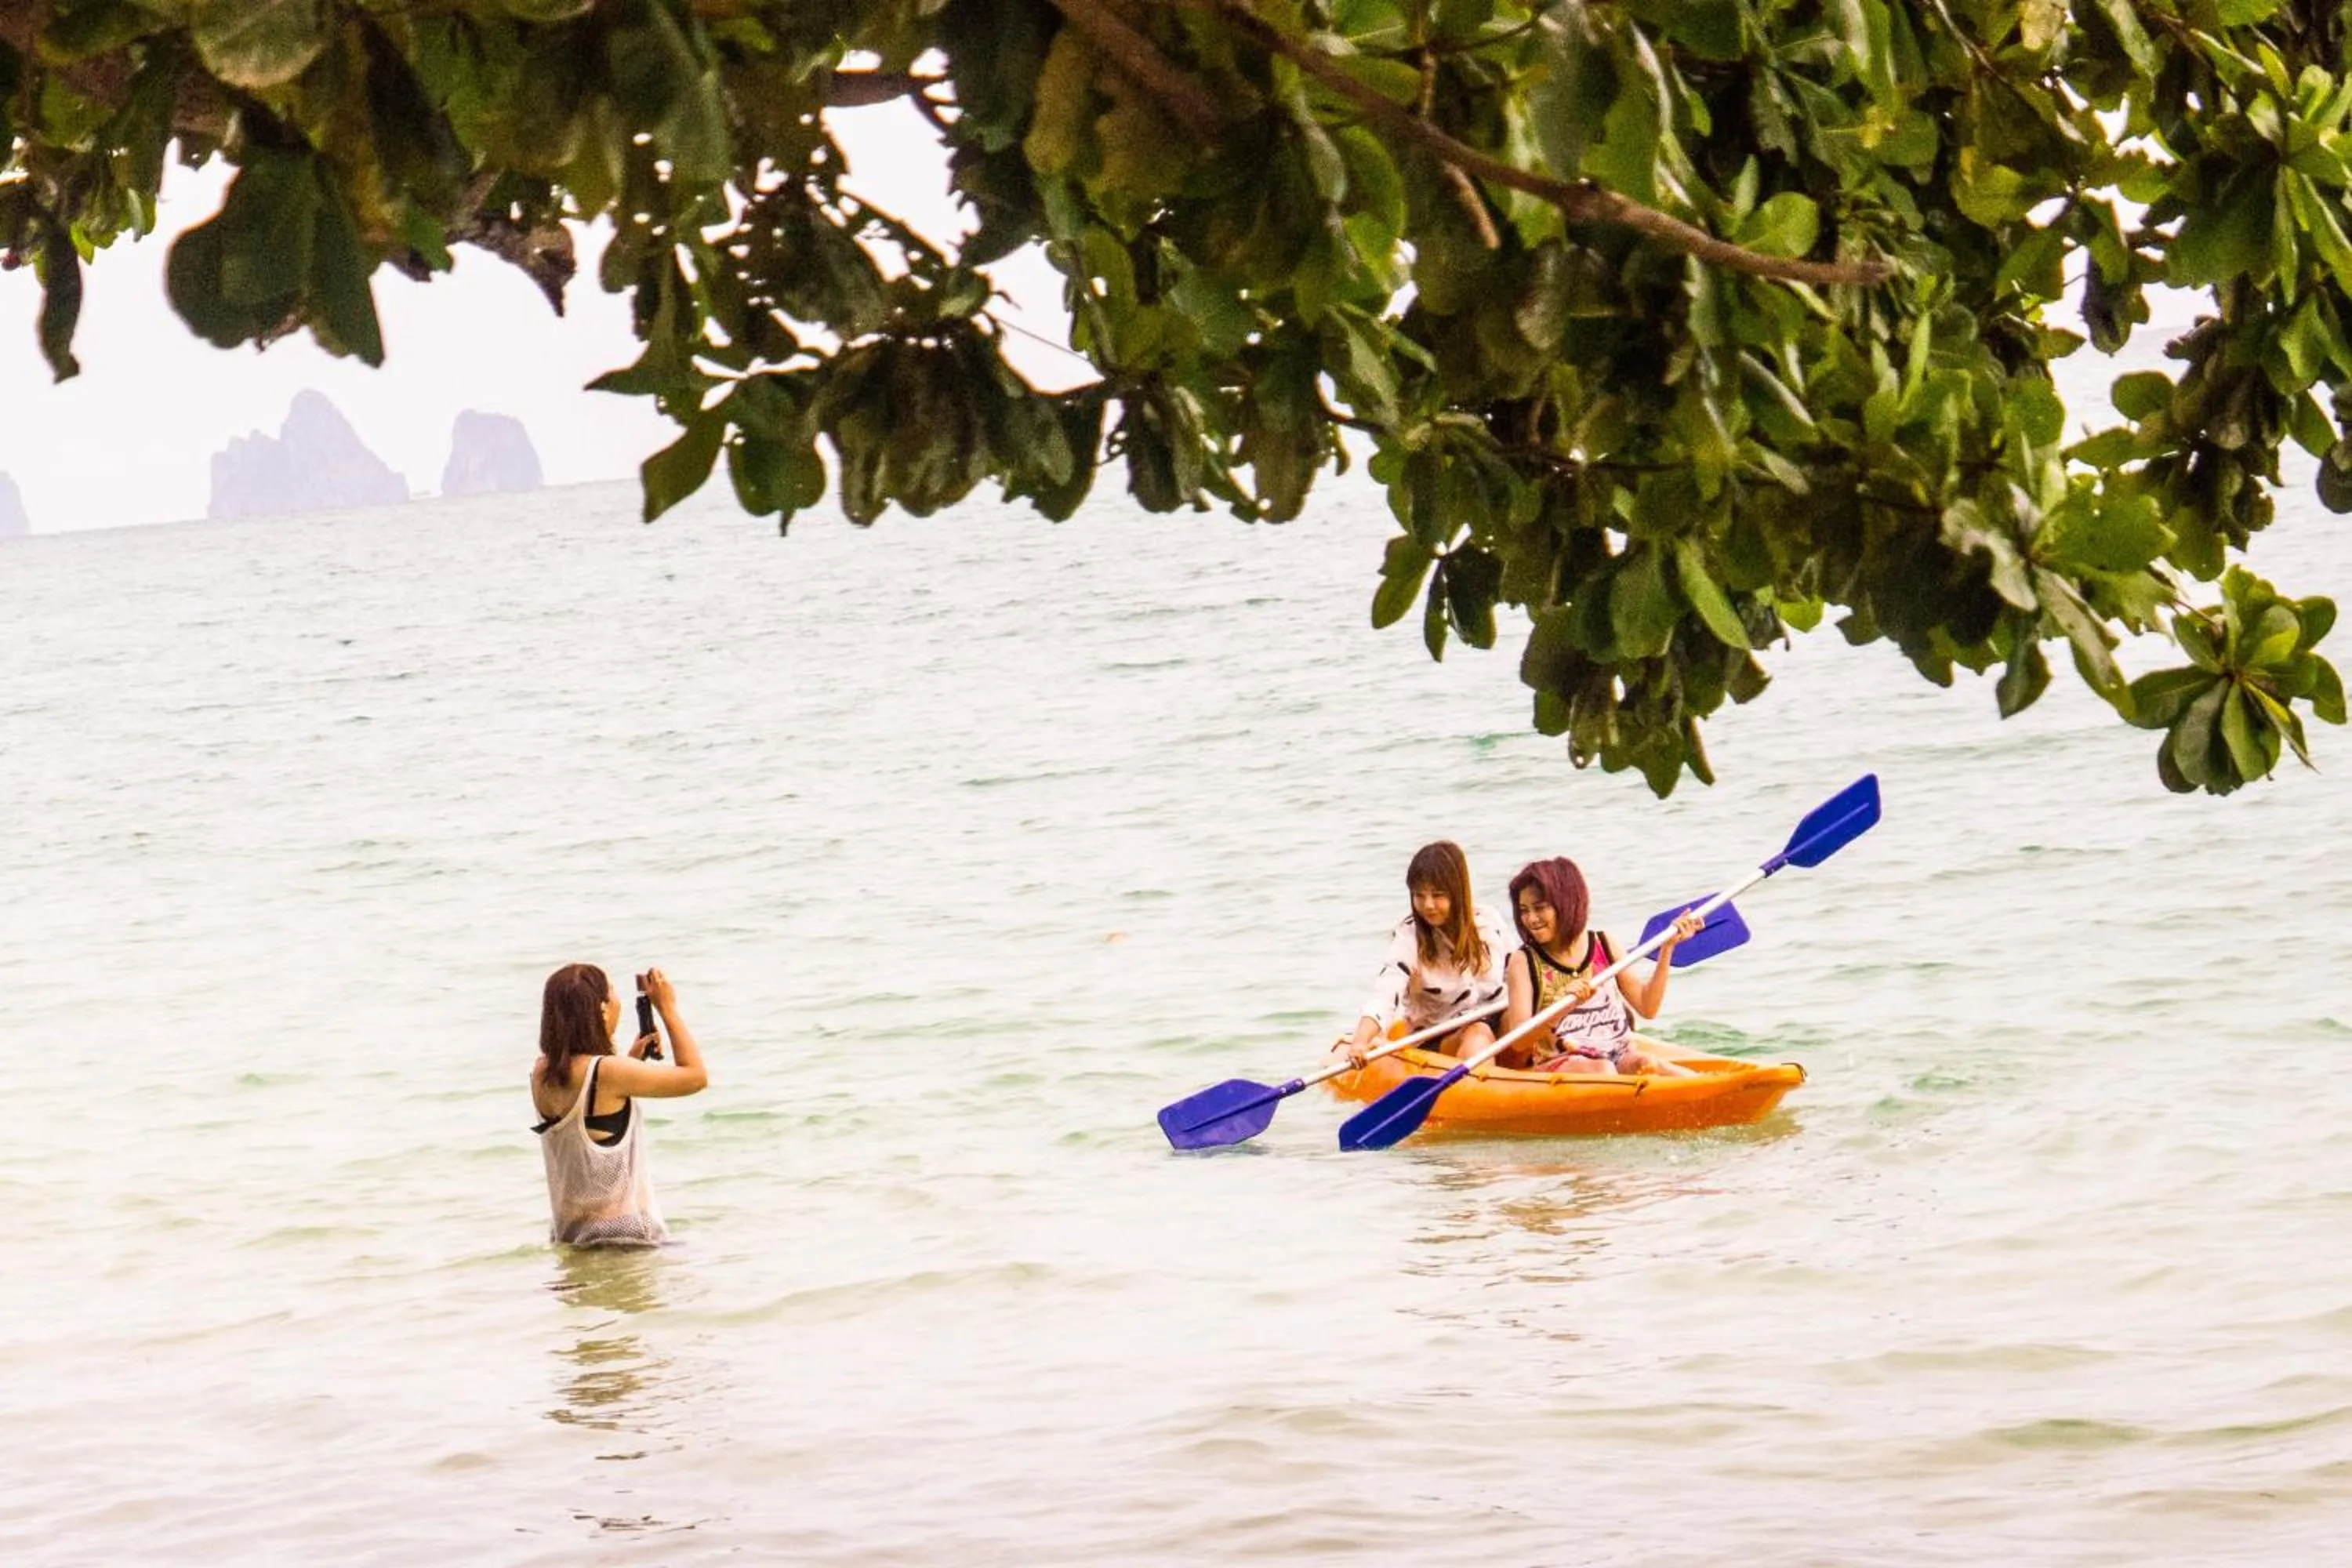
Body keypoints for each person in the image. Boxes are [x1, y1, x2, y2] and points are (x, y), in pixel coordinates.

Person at [529, 964, 709, 1247]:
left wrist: (631, 1060)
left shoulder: (541, 1073)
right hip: (627, 1238)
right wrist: (667, 1008)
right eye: (612, 992)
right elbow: (695, 1077)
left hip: (572, 1236)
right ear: (601, 1009)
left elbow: (593, 1105)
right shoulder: (611, 1073)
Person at [1499, 857, 1700, 1076]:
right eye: (1524, 910)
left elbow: (1647, 1007)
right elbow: (1518, 1042)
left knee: (1647, 1062)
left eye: (1540, 908)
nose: (1531, 919)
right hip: (1561, 1063)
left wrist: (1667, 949)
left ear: (1566, 903)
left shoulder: (1603, 943)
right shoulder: (1524, 961)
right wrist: (1561, 1007)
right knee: (1602, 1070)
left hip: (1619, 1056)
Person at [1341, 840, 1508, 1067]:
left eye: (1438, 895)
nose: (1428, 905)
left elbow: (1519, 975)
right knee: (1478, 1034)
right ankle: (1482, 1096)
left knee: (1523, 1019)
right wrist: (1360, 1042)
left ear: (1458, 892)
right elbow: (1385, 995)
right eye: (1419, 895)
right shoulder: (1409, 939)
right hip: (1439, 1035)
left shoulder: (1489, 922)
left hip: (1498, 1021)